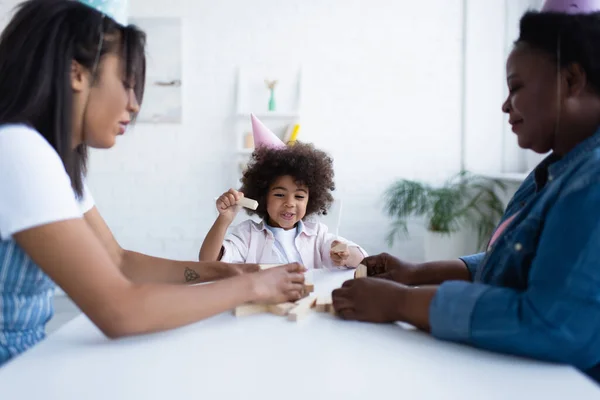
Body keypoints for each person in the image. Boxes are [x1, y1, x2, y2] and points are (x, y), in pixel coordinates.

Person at [0, 0, 304, 367]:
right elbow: (119, 310)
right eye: (127, 84)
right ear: (75, 73)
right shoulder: (17, 150)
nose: (134, 105)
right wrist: (251, 286)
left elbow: (118, 261)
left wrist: (224, 271)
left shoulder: (49, 160)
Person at [332, 0, 600, 382]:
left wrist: (401, 302)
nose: (506, 105)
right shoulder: (555, 169)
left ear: (572, 81)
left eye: (516, 87)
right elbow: (517, 261)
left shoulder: (593, 180)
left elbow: (555, 325)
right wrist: (415, 272)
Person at [199, 115, 367, 269]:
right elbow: (208, 263)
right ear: (263, 196)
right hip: (262, 302)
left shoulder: (317, 236)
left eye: (299, 196)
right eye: (279, 194)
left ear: (311, 200)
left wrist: (345, 255)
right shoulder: (248, 235)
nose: (290, 203)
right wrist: (224, 219)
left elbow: (361, 259)